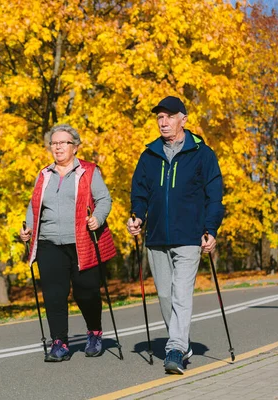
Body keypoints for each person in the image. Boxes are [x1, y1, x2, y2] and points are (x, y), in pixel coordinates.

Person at [126, 96, 224, 374]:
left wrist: (210, 229)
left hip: (189, 236)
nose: (164, 121)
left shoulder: (202, 154)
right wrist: (137, 216)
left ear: (184, 118)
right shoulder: (149, 155)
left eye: (169, 116)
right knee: (166, 297)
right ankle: (180, 342)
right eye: (159, 117)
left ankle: (176, 349)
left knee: (181, 293)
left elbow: (214, 195)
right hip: (156, 237)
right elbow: (140, 192)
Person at [20, 123, 116, 362]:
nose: (58, 147)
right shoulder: (44, 174)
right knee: (54, 295)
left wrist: (98, 217)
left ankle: (94, 332)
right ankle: (59, 342)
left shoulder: (89, 171)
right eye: (54, 143)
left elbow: (104, 199)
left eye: (63, 143)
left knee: (86, 292)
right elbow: (34, 206)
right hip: (48, 243)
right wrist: (28, 228)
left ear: (75, 147)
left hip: (81, 241)